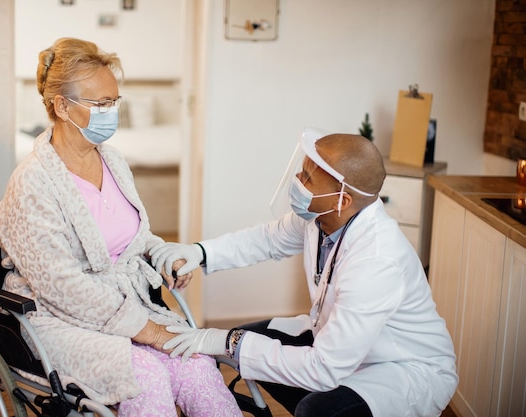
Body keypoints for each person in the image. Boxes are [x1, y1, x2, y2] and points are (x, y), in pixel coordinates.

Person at [0, 37, 242, 417]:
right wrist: (148, 330)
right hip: (59, 318)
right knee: (145, 377)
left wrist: (164, 257)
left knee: (195, 365)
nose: (112, 112)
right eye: (101, 104)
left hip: (127, 307)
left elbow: (136, 239)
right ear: (62, 106)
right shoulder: (33, 183)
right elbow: (61, 286)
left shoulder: (114, 161)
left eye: (115, 102)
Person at [150, 129, 458, 417]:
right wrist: (199, 253)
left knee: (315, 410)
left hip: (401, 366)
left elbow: (323, 368)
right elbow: (267, 239)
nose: (298, 180)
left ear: (343, 200)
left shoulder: (377, 261)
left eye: (308, 177)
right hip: (341, 344)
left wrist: (226, 340)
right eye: (302, 170)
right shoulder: (321, 219)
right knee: (246, 345)